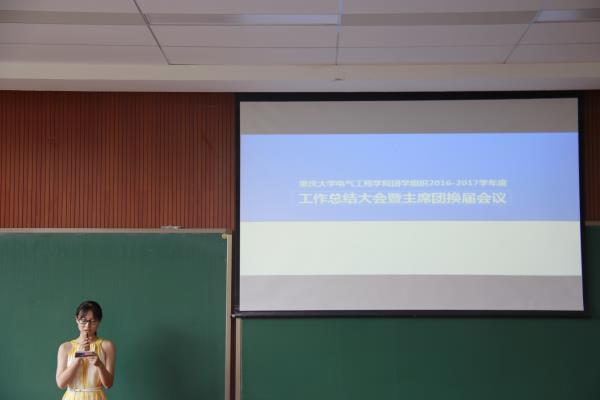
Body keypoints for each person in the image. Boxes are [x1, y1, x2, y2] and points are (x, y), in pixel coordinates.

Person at [56, 301, 116, 400]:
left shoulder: (107, 346)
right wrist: (77, 360)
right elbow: (61, 384)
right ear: (76, 319)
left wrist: (99, 364)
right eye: (83, 321)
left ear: (99, 321)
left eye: (93, 321)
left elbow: (108, 384)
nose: (87, 326)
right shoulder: (65, 347)